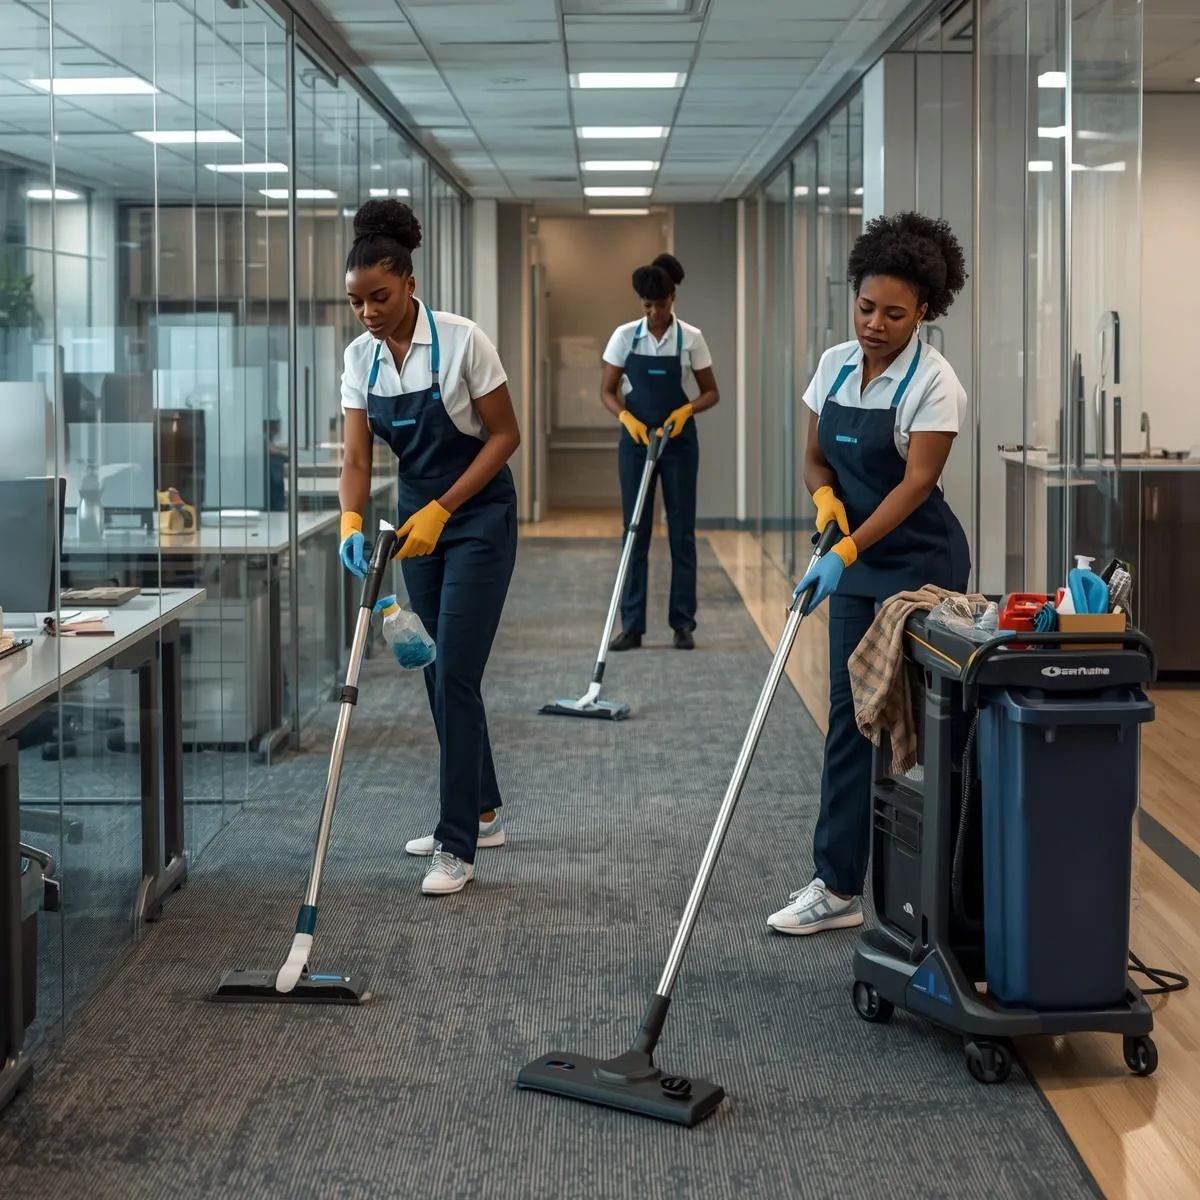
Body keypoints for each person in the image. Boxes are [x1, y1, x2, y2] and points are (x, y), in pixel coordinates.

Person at [767, 212, 970, 936]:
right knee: (850, 722)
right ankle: (836, 884)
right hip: (851, 559)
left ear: (924, 312)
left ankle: (949, 890)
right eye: (865, 307)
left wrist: (845, 551)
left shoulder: (935, 383)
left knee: (930, 728)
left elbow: (915, 485)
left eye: (893, 312)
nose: (874, 325)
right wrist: (824, 503)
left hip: (920, 567)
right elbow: (816, 456)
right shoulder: (833, 366)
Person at [337, 200, 521, 897]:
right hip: (417, 522)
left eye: (379, 297)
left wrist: (448, 507)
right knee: (430, 663)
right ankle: (481, 809)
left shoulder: (463, 340)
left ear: (409, 283)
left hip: (477, 518)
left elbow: (505, 435)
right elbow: (357, 457)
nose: (368, 313)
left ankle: (457, 845)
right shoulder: (360, 359)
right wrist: (352, 521)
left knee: (457, 675)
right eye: (356, 302)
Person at [601, 253, 720, 652]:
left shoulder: (691, 338)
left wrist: (687, 410)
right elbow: (607, 390)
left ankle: (682, 623)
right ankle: (632, 626)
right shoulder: (624, 337)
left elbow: (710, 392)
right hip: (636, 444)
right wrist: (625, 418)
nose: (654, 313)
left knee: (681, 533)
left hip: (679, 444)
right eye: (647, 305)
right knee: (634, 532)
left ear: (673, 299)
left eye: (661, 304)